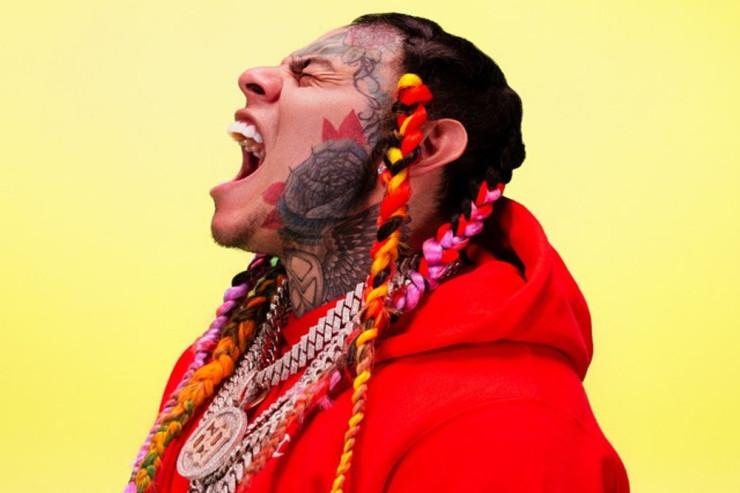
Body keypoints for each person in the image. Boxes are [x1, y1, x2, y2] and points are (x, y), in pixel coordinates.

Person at [125, 12, 630, 493]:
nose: (253, 77)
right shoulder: (218, 366)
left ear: (421, 148)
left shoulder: (508, 422)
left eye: (311, 76)